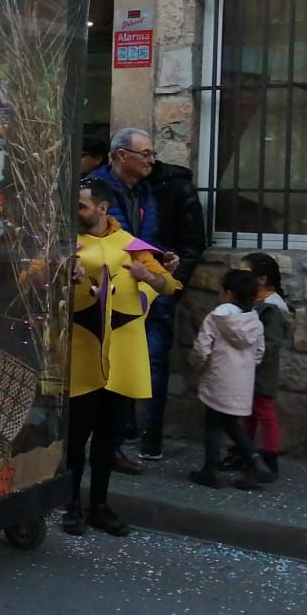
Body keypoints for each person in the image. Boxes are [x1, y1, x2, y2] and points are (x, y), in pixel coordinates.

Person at [66, 180, 180, 537]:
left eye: (82, 206)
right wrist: (59, 276)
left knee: (107, 437)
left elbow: (167, 285)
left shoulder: (131, 245)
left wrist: (150, 276)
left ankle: (98, 504)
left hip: (119, 354)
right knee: (75, 436)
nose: (77, 212)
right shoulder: (65, 243)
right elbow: (34, 276)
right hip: (81, 351)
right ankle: (71, 504)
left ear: (102, 209)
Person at [87, 127, 163, 474]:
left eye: (150, 153)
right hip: (98, 294)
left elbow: (143, 240)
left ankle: (112, 446)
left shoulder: (144, 191)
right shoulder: (94, 190)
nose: (151, 160)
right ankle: (89, 447)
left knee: (127, 371)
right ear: (121, 156)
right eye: (145, 153)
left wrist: (156, 265)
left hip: (134, 293)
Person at [137, 155, 209, 461]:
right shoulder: (112, 186)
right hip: (124, 285)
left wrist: (171, 286)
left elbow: (192, 242)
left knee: (153, 360)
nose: (147, 158)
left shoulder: (176, 187)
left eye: (148, 153)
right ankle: (124, 430)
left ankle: (150, 437)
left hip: (159, 287)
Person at [188, 269, 274, 491]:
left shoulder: (216, 317)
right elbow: (259, 352)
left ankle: (210, 469)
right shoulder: (254, 321)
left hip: (218, 378)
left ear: (227, 293)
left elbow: (202, 348)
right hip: (241, 382)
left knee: (213, 425)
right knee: (231, 424)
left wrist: (198, 366)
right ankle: (255, 461)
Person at [233, 253, 292, 477]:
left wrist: (254, 360)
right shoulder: (255, 302)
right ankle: (247, 452)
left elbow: (272, 343)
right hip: (251, 367)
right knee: (248, 412)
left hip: (261, 369)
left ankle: (270, 456)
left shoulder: (271, 307)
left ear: (262, 279)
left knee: (265, 412)